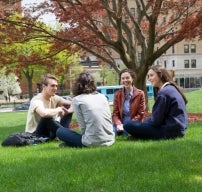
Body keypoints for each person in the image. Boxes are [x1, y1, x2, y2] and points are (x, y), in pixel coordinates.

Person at [124, 65, 188, 140]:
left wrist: (144, 121)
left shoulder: (164, 93)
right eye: (148, 76)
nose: (149, 79)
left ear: (160, 75)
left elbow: (156, 121)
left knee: (127, 124)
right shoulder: (171, 88)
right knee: (138, 124)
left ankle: (138, 136)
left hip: (170, 131)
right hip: (178, 129)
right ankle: (138, 136)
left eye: (151, 75)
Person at [56, 72, 115, 148]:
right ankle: (70, 144)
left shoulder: (77, 100)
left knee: (60, 131)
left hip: (92, 142)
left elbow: (83, 127)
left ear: (77, 85)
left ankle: (72, 144)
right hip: (110, 139)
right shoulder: (103, 97)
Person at [25, 73, 73, 140]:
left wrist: (68, 111)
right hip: (35, 134)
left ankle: (64, 134)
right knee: (47, 118)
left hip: (48, 132)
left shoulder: (54, 98)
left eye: (56, 86)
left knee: (67, 106)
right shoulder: (36, 100)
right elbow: (44, 114)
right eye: (52, 86)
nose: (55, 88)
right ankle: (67, 135)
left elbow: (74, 103)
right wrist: (58, 109)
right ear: (44, 87)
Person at [112, 68, 146, 136]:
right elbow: (115, 113)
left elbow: (140, 113)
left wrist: (129, 124)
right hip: (120, 124)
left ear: (132, 78)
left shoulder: (140, 94)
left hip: (133, 123)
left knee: (127, 131)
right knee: (110, 132)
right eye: (123, 78)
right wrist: (119, 124)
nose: (125, 80)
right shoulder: (117, 94)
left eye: (127, 78)